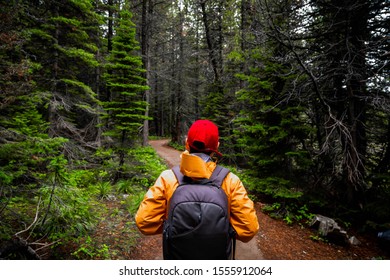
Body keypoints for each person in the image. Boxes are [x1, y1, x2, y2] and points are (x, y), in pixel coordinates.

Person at [135, 119, 259, 258]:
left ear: (186, 143)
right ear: (216, 147)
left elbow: (144, 222)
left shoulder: (168, 178)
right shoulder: (230, 181)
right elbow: (249, 229)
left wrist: (173, 226)